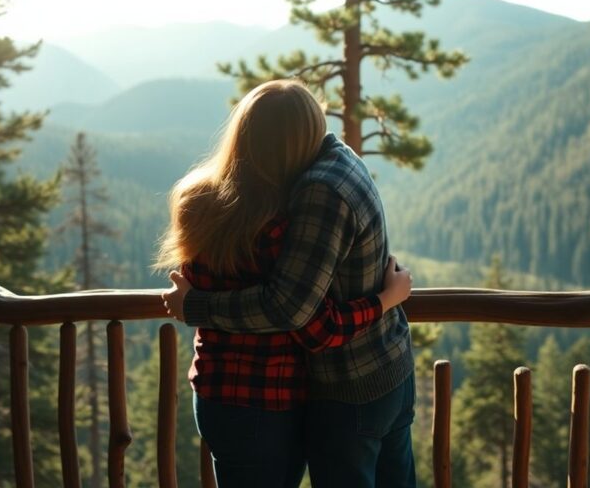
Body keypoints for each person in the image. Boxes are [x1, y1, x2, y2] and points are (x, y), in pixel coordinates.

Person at [157, 79, 414, 487]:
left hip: (271, 389)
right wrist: (388, 299)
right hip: (331, 382)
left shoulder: (203, 200)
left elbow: (293, 311)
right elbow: (308, 321)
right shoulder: (319, 181)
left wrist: (196, 306)